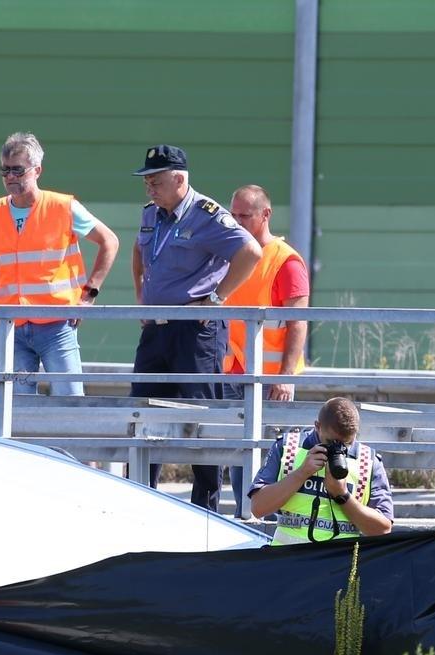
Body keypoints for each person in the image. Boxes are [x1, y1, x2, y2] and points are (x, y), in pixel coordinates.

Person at [130, 145, 262, 511]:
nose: (149, 188)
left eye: (155, 181)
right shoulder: (152, 214)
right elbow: (139, 253)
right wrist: (143, 296)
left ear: (179, 178)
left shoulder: (206, 215)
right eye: (147, 182)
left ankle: (205, 509)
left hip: (194, 329)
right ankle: (139, 499)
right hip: (156, 329)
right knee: (143, 411)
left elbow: (250, 252)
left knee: (200, 414)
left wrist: (216, 299)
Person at [0, 132, 119, 398]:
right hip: (12, 325)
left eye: (17, 170)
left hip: (57, 323)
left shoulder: (63, 207)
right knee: (14, 405)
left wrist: (89, 296)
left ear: (37, 170)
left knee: (69, 399)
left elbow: (109, 241)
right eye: (4, 170)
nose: (10, 177)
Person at [223, 184, 311, 516]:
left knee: (277, 461)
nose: (236, 221)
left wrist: (286, 377)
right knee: (239, 457)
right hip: (235, 373)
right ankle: (246, 518)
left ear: (265, 215)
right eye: (233, 215)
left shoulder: (286, 262)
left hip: (272, 382)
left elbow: (297, 323)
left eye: (244, 215)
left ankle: (271, 525)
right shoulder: (235, 254)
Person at [247, 397, 393, 545]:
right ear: (317, 426)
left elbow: (382, 530)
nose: (338, 448)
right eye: (331, 442)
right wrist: (301, 473)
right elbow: (258, 508)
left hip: (340, 561)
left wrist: (342, 495)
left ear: (355, 433)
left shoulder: (367, 460)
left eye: (346, 443)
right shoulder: (288, 447)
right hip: (288, 560)